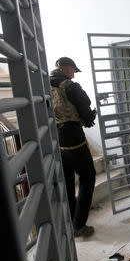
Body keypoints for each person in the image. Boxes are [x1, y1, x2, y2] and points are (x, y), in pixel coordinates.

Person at [50, 57, 97, 238]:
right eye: (73, 71)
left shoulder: (43, 83)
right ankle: (79, 225)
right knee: (88, 176)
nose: (73, 74)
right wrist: (89, 118)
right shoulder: (70, 86)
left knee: (68, 180)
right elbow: (85, 107)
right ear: (65, 68)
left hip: (56, 138)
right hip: (73, 137)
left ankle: (70, 220)